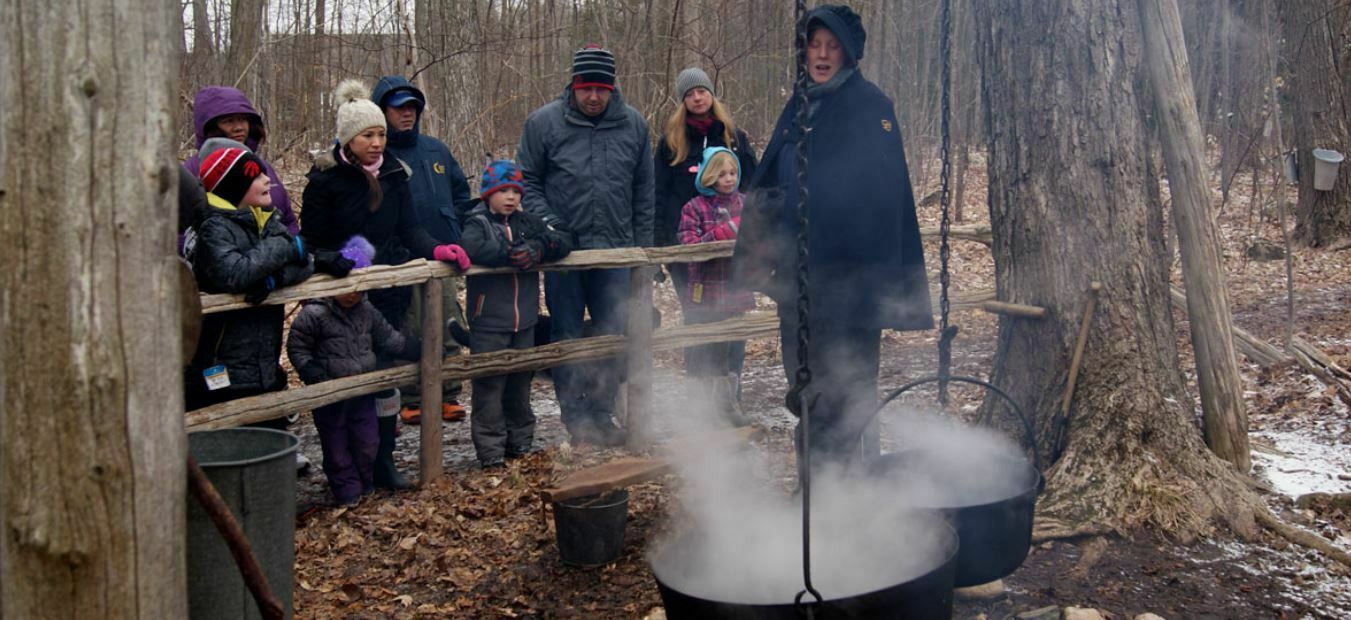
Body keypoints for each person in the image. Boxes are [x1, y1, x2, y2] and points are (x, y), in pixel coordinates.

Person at [733, 5, 932, 470]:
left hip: (850, 289)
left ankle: (851, 499)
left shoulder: (870, 106)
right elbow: (771, 178)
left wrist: (811, 208)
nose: (821, 55)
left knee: (849, 397)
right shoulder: (799, 103)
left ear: (848, 53)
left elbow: (881, 200)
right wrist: (767, 236)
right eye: (814, 45)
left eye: (832, 46)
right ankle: (815, 496)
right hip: (799, 289)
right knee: (806, 395)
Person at [301, 79, 473, 489]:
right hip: (339, 295)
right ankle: (344, 470)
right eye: (368, 135)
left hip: (387, 288)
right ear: (348, 139)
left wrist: (440, 250)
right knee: (345, 378)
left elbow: (411, 229)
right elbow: (310, 242)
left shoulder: (396, 173)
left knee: (385, 373)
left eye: (380, 134)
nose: (377, 142)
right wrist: (333, 264)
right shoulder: (325, 180)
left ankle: (383, 461)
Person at [517, 44, 654, 447]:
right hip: (565, 255)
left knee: (612, 336)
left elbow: (644, 194)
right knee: (568, 336)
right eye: (586, 88)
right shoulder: (543, 124)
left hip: (616, 252)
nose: (593, 97)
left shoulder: (634, 125)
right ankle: (576, 420)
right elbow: (527, 182)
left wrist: (642, 254)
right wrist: (551, 225)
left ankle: (601, 413)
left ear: (613, 88)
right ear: (573, 86)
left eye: (601, 89)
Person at [184, 146, 342, 415]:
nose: (268, 180)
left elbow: (304, 264)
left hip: (264, 360)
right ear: (234, 186)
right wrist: (286, 247)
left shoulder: (266, 220)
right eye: (256, 176)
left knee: (267, 433)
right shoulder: (213, 228)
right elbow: (236, 274)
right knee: (230, 443)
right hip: (222, 364)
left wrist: (273, 279)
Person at [371, 76, 475, 425]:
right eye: (399, 108)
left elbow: (461, 192)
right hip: (399, 257)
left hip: (443, 254)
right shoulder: (377, 154)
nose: (407, 114)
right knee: (408, 327)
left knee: (448, 323)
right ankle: (412, 397)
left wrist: (455, 228)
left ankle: (448, 394)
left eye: (412, 108)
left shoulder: (435, 150)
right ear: (382, 111)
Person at [287, 236, 421, 504]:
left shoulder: (366, 310)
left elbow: (387, 337)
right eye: (347, 287)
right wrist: (310, 369)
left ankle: (365, 482)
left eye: (359, 289)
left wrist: (413, 348)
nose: (353, 294)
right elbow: (297, 347)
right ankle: (346, 490)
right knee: (336, 447)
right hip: (331, 392)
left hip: (363, 391)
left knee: (367, 441)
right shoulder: (315, 313)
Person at [459, 160, 573, 468]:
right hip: (489, 321)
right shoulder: (477, 221)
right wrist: (507, 255)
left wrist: (537, 248)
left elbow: (563, 239)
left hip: (525, 320)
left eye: (515, 191)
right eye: (503, 191)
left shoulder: (528, 222)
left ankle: (520, 441)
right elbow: (472, 248)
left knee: (521, 383)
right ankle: (490, 451)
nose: (510, 197)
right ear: (488, 194)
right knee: (489, 387)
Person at [654, 67, 757, 307]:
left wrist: (753, 233)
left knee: (734, 318)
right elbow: (657, 193)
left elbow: (753, 187)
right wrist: (662, 244)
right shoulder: (671, 142)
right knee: (696, 320)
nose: (697, 98)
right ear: (683, 101)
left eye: (701, 91)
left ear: (711, 94)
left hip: (732, 246)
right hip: (683, 247)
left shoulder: (734, 138)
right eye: (689, 94)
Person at [678, 147, 755, 427]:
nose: (729, 178)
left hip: (736, 290)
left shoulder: (746, 205)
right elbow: (689, 246)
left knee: (733, 349)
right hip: (705, 293)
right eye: (721, 173)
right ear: (709, 175)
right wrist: (723, 234)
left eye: (733, 172)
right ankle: (700, 409)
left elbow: (760, 240)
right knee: (705, 349)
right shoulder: (693, 208)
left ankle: (727, 404)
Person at [183, 86, 297, 236]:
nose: (239, 128)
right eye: (228, 121)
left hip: (278, 254)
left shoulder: (260, 166)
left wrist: (296, 249)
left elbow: (287, 219)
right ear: (210, 126)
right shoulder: (193, 173)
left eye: (243, 119)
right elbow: (179, 235)